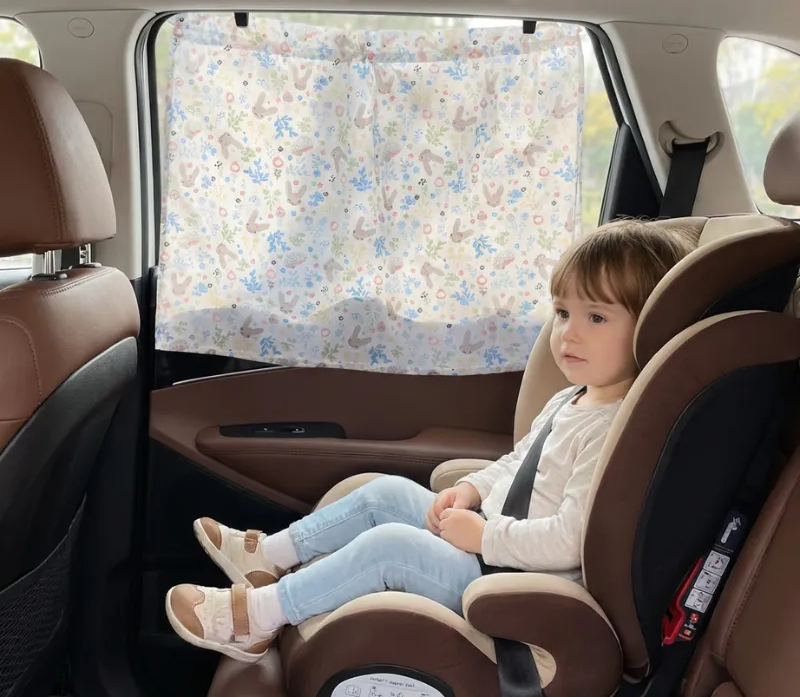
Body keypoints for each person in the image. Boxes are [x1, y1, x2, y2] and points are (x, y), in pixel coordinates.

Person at [165, 219, 693, 662]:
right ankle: (269, 555)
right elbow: (517, 464)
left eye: (595, 317)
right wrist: (473, 490)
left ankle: (256, 620)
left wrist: (483, 537)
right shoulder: (571, 399)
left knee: (389, 547)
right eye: (561, 313)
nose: (568, 334)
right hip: (494, 547)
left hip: (518, 585)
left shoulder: (613, 430)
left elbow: (569, 541)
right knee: (384, 493)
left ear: (650, 330)